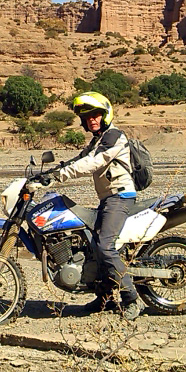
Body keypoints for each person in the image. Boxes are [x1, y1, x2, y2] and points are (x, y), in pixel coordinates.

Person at [36, 91, 142, 321]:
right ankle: (105, 298)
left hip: (120, 197)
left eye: (95, 115)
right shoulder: (98, 140)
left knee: (105, 246)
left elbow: (93, 162)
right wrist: (48, 174)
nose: (91, 119)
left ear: (105, 115)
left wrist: (60, 176)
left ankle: (132, 298)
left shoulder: (115, 137)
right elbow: (78, 159)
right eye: (87, 117)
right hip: (108, 199)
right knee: (92, 245)